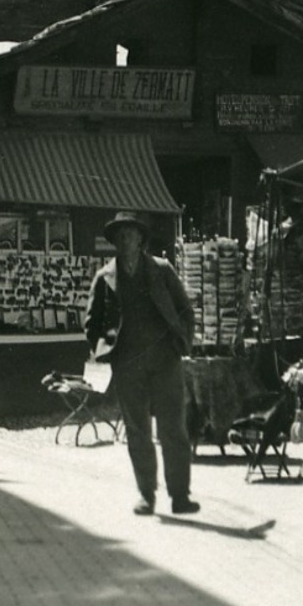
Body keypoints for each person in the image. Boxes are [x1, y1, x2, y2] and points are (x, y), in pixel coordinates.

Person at [85, 211, 199, 516]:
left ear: (140, 239)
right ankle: (147, 495)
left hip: (165, 362)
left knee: (173, 429)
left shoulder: (161, 270)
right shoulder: (105, 277)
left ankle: (180, 496)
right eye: (120, 236)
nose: (126, 240)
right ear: (115, 242)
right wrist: (105, 350)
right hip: (128, 366)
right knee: (137, 431)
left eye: (131, 234)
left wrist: (181, 343)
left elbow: (185, 310)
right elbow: (91, 322)